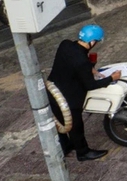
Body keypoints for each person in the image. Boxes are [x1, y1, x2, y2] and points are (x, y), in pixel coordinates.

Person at [47, 24, 112, 161]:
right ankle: (83, 152)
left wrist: (90, 69)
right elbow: (91, 85)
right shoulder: (82, 62)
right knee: (75, 127)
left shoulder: (65, 45)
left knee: (60, 123)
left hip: (53, 92)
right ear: (92, 41)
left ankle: (65, 147)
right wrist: (112, 78)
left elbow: (71, 62)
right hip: (68, 99)